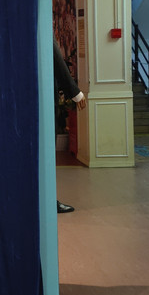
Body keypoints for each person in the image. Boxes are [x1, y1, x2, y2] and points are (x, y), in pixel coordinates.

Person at [53, 38, 86, 213]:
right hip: (41, 100)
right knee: (47, 155)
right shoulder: (40, 25)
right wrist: (75, 92)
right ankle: (49, 200)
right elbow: (56, 57)